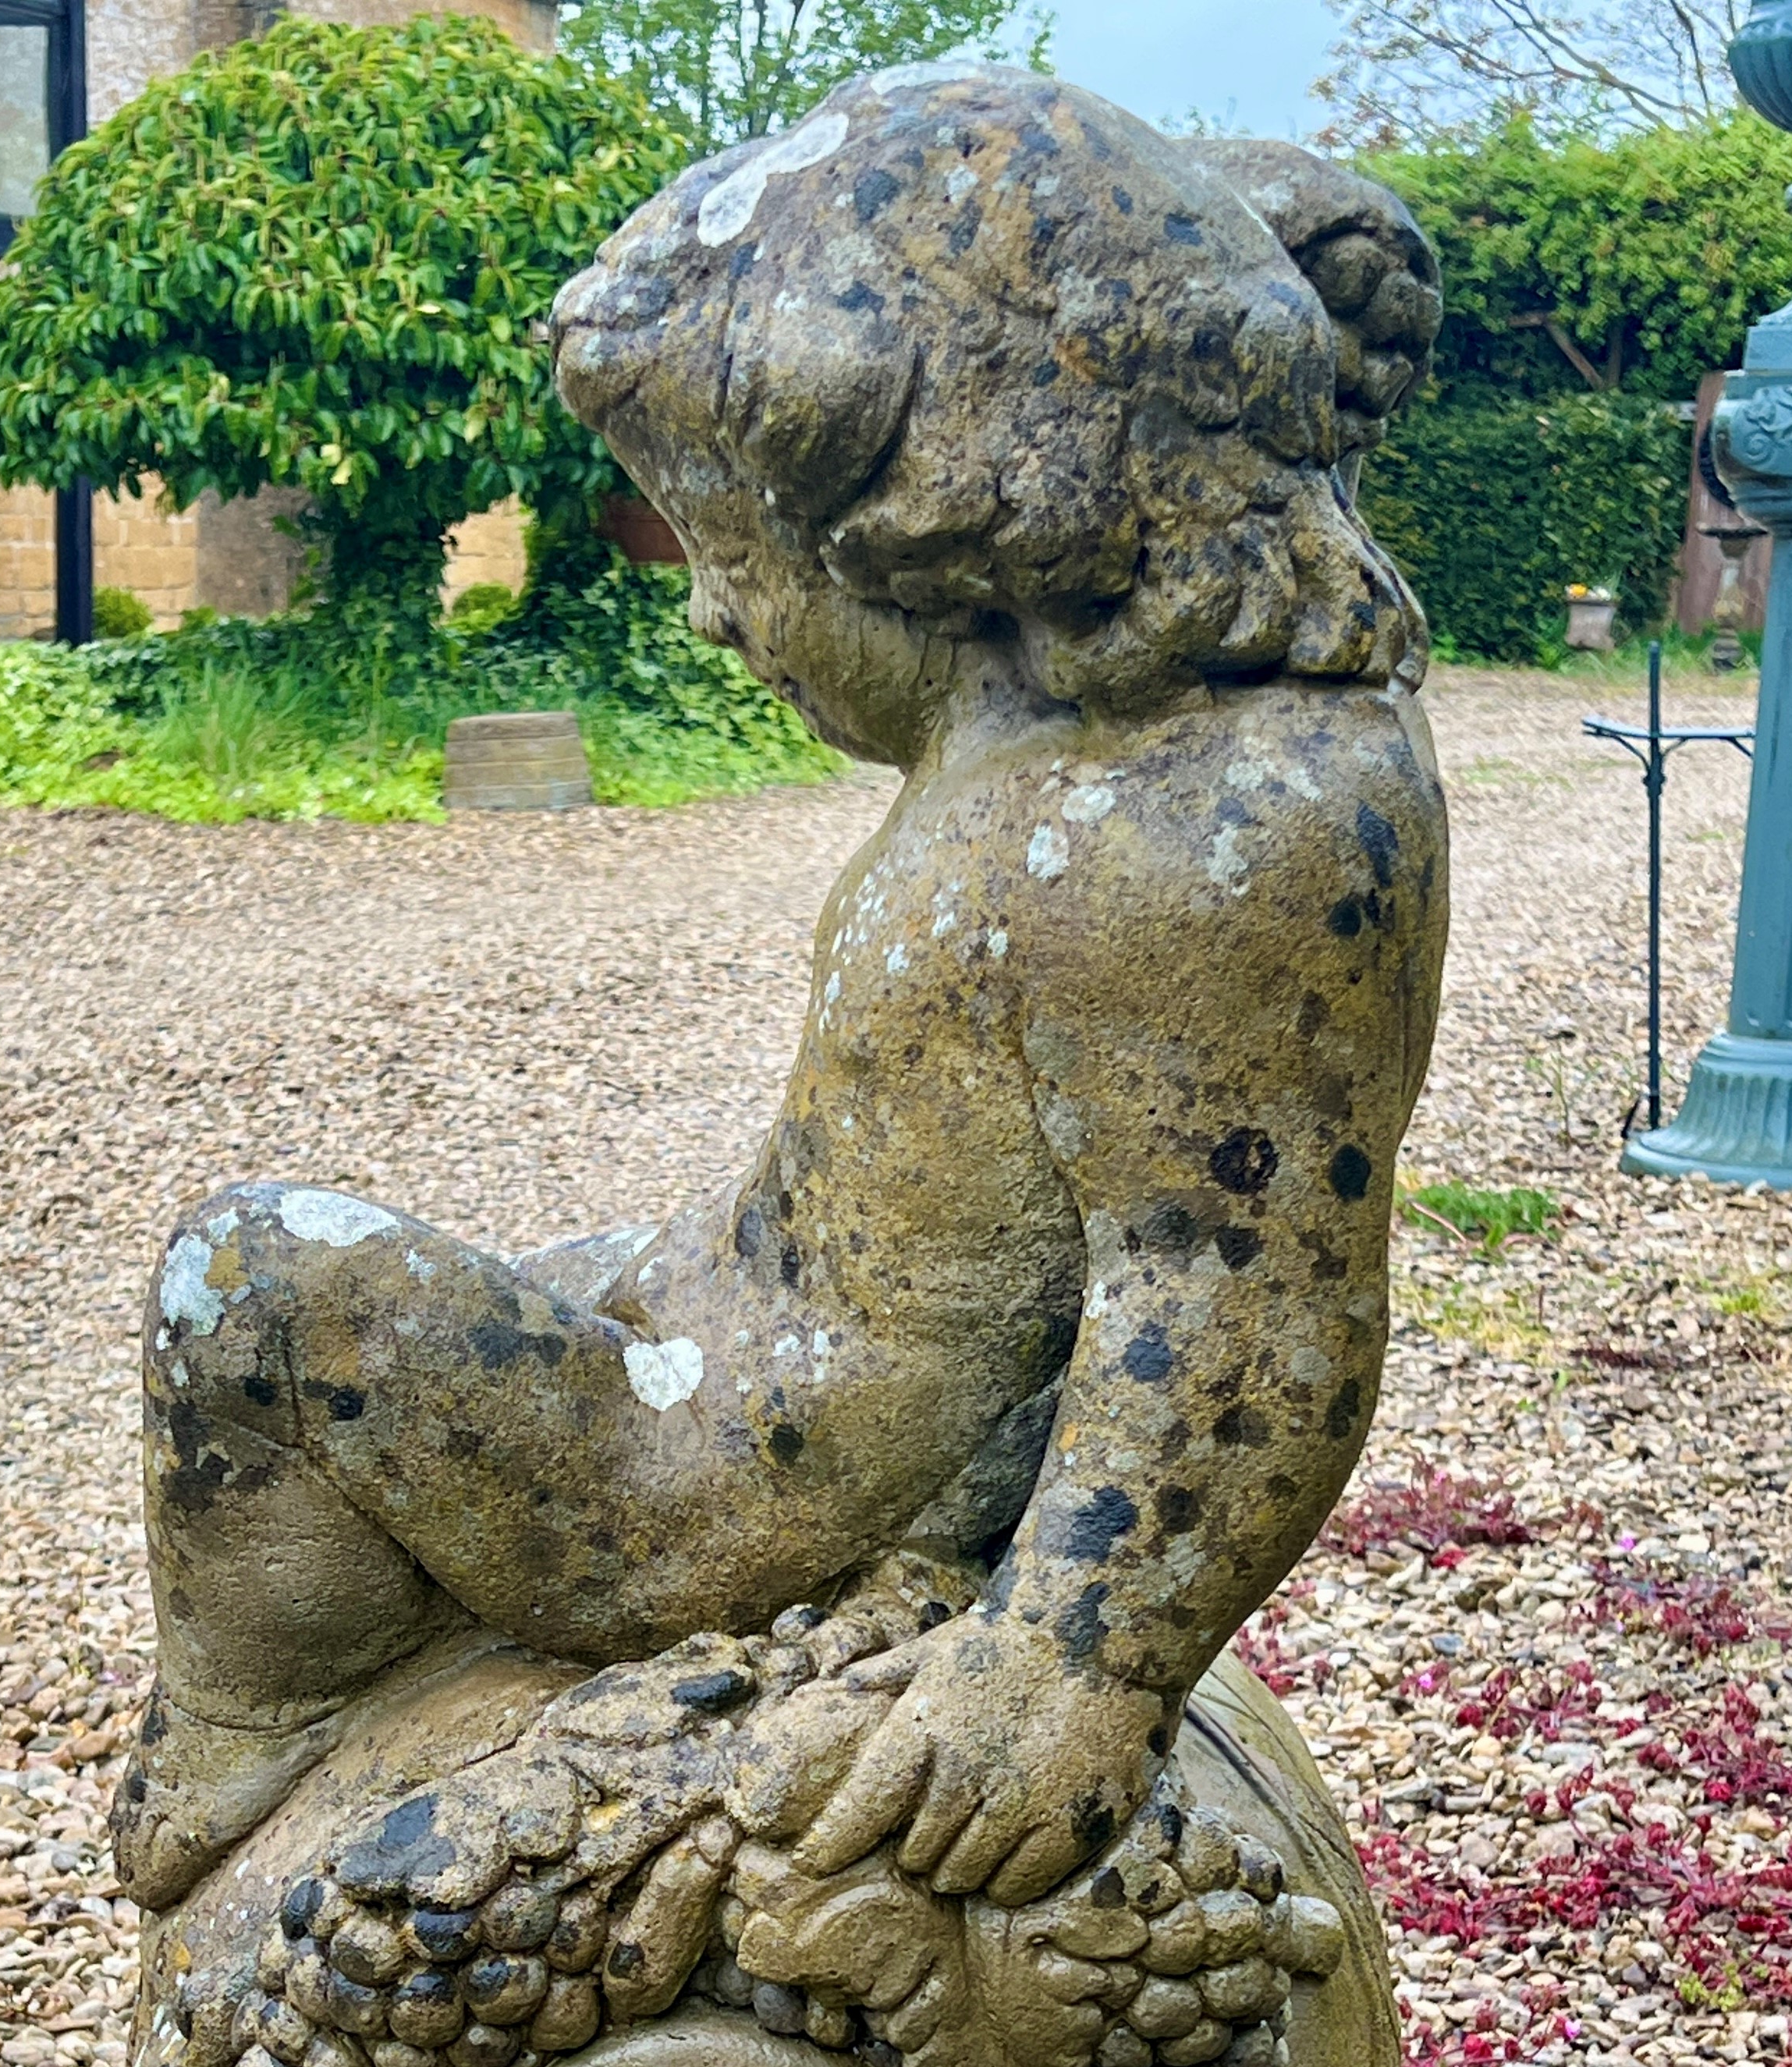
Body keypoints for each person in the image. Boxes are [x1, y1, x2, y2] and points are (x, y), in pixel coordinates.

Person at [113, 66, 1447, 1924]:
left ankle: (250, 1721)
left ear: (943, 535)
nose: (711, 620)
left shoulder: (1207, 834)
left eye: (723, 553)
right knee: (555, 1269)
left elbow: (1241, 1310)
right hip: (755, 1364)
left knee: (247, 1283)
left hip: (712, 1496)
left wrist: (1066, 1672)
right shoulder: (1134, 752)